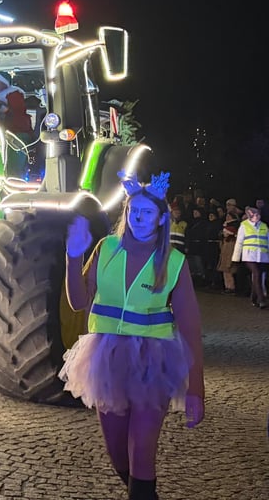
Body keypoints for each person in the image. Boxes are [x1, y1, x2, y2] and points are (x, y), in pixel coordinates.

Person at [60, 171, 204, 499]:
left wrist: (196, 388)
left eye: (147, 212)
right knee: (117, 453)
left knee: (142, 448)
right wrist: (73, 256)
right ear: (125, 213)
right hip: (107, 360)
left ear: (162, 219)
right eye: (133, 211)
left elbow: (191, 328)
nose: (138, 218)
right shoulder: (107, 248)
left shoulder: (174, 261)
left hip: (156, 361)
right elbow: (79, 301)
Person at [231, 206, 269, 308]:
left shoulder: (264, 226)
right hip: (249, 255)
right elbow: (239, 242)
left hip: (262, 256)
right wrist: (236, 257)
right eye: (254, 215)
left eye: (258, 215)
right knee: (256, 273)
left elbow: (268, 241)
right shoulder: (244, 225)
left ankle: (253, 297)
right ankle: (261, 299)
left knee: (258, 276)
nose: (257, 216)